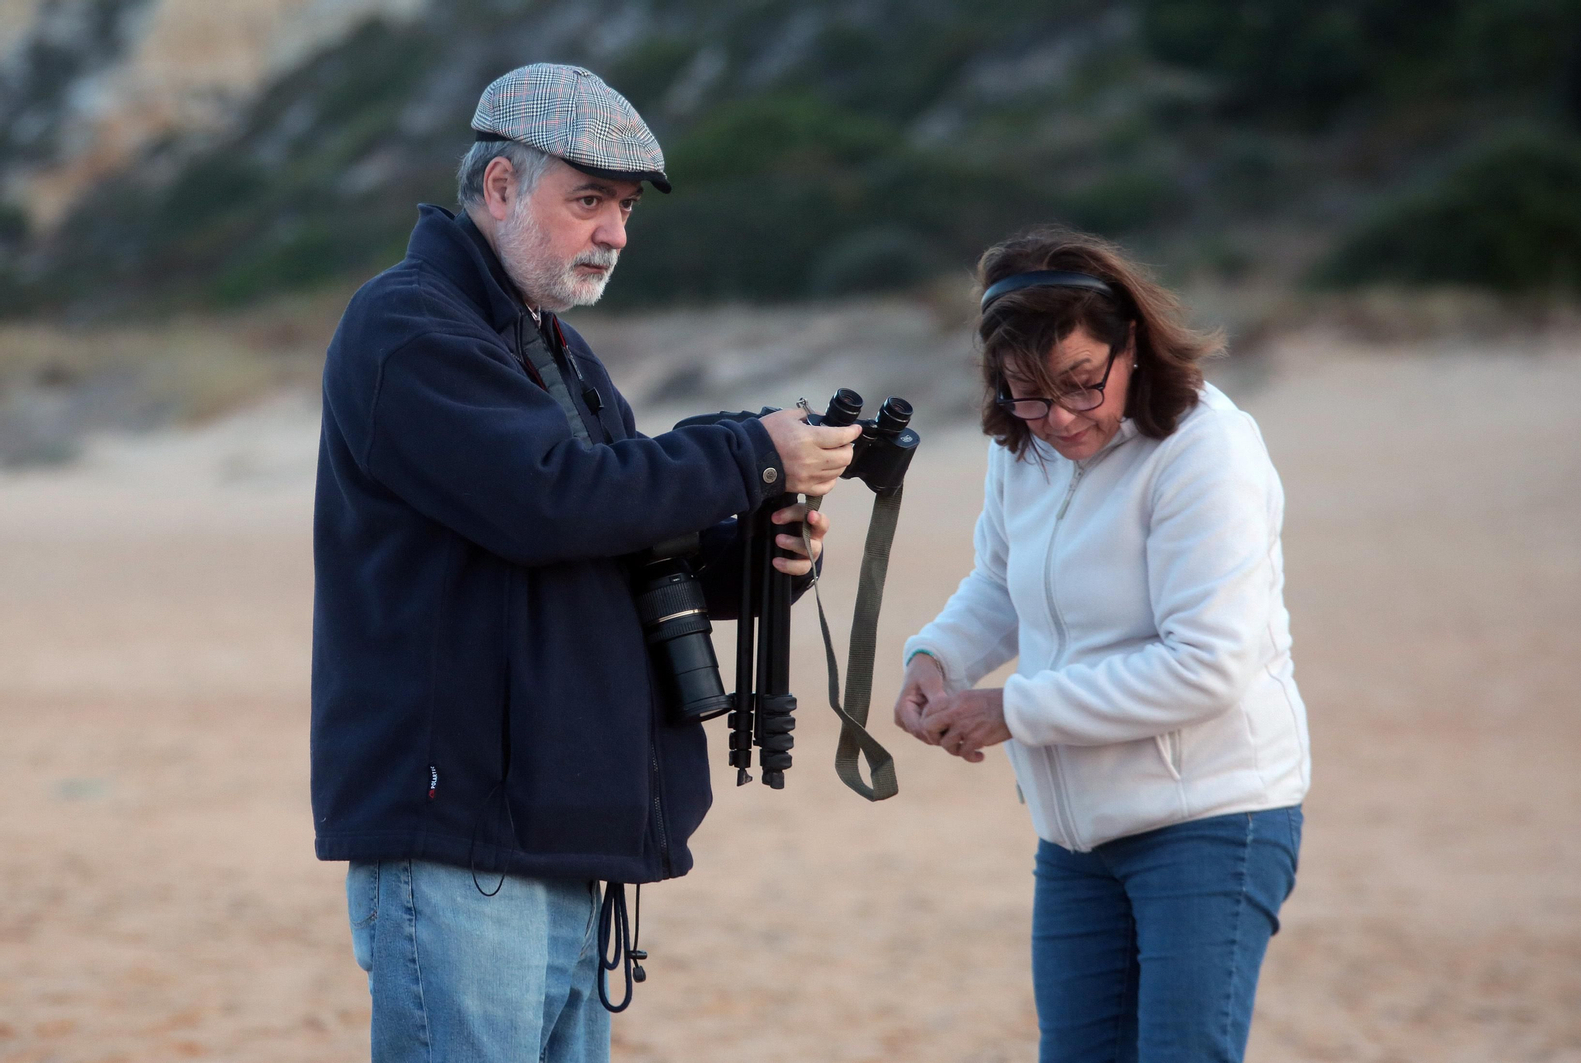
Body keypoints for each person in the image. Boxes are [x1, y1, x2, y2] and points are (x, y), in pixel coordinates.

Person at [311, 63, 860, 1063]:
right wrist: (747, 453)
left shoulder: (550, 346)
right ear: (500, 187)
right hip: (462, 836)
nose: (614, 232)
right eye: (589, 201)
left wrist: (759, 552)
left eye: (625, 208)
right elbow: (547, 501)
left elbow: (619, 538)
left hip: (555, 832)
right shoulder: (408, 324)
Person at [893, 228, 1311, 1063]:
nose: (1061, 418)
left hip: (1211, 820)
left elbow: (1208, 665)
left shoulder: (1207, 448)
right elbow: (1001, 585)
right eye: (1028, 393)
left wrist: (1012, 708)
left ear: (1133, 344)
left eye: (1083, 382)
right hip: (1076, 837)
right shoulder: (1023, 445)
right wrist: (935, 658)